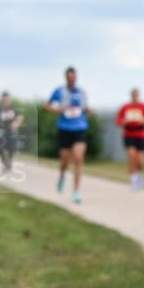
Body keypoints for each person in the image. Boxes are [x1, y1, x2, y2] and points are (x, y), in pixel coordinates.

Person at [46, 66, 91, 204]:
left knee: (78, 158)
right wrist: (58, 110)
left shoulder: (82, 92)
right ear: (66, 77)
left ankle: (76, 192)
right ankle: (62, 176)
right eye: (69, 77)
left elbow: (85, 108)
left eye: (73, 77)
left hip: (79, 128)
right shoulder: (59, 91)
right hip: (64, 128)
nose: (71, 79)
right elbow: (47, 105)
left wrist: (88, 111)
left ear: (76, 78)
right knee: (65, 161)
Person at [115, 88, 144, 190]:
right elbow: (118, 120)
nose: (135, 97)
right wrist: (123, 121)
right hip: (129, 134)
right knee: (131, 156)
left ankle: (139, 176)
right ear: (131, 96)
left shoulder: (143, 107)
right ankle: (133, 181)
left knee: (140, 160)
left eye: (136, 95)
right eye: (133, 95)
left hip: (141, 134)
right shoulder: (125, 107)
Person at [0, 91, 22, 172]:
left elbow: (20, 117)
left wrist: (16, 124)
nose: (6, 100)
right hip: (1, 130)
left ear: (9, 99)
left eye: (7, 99)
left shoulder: (14, 108)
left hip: (11, 130)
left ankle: (9, 162)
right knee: (0, 147)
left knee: (12, 147)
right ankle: (4, 162)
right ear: (2, 99)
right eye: (4, 99)